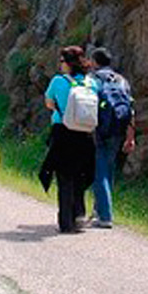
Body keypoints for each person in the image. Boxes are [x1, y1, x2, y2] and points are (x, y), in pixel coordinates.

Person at [40, 46, 98, 233]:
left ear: (68, 63)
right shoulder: (91, 83)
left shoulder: (58, 81)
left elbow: (49, 103)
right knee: (80, 175)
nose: (60, 64)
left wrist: (61, 108)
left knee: (64, 177)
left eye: (62, 61)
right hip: (85, 134)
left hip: (63, 132)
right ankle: (79, 215)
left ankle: (66, 221)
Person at [88, 47, 136, 229]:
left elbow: (87, 105)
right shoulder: (122, 80)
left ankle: (105, 216)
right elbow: (130, 109)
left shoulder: (94, 79)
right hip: (118, 131)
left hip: (99, 131)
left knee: (100, 173)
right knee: (108, 170)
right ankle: (99, 209)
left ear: (94, 62)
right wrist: (130, 137)